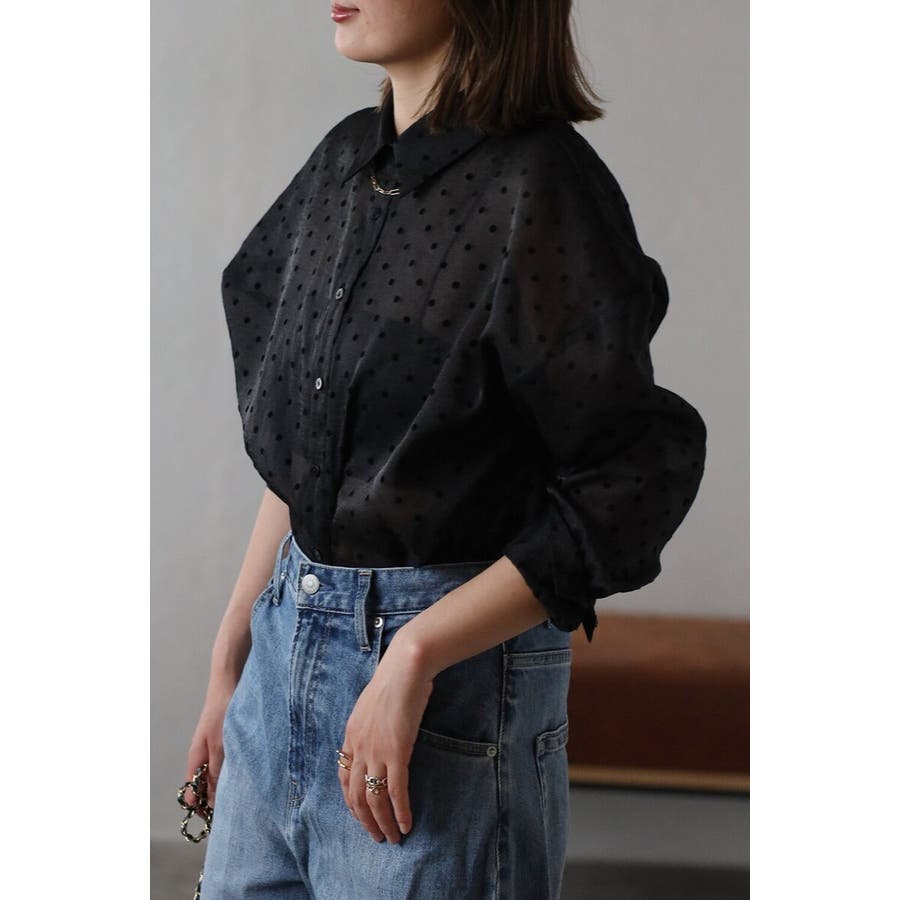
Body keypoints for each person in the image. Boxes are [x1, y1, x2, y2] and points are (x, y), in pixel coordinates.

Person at [186, 1, 707, 897]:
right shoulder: (344, 163)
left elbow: (629, 477)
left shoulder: (541, 185)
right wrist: (232, 659)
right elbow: (310, 458)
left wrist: (416, 652)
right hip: (278, 670)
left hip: (442, 701)